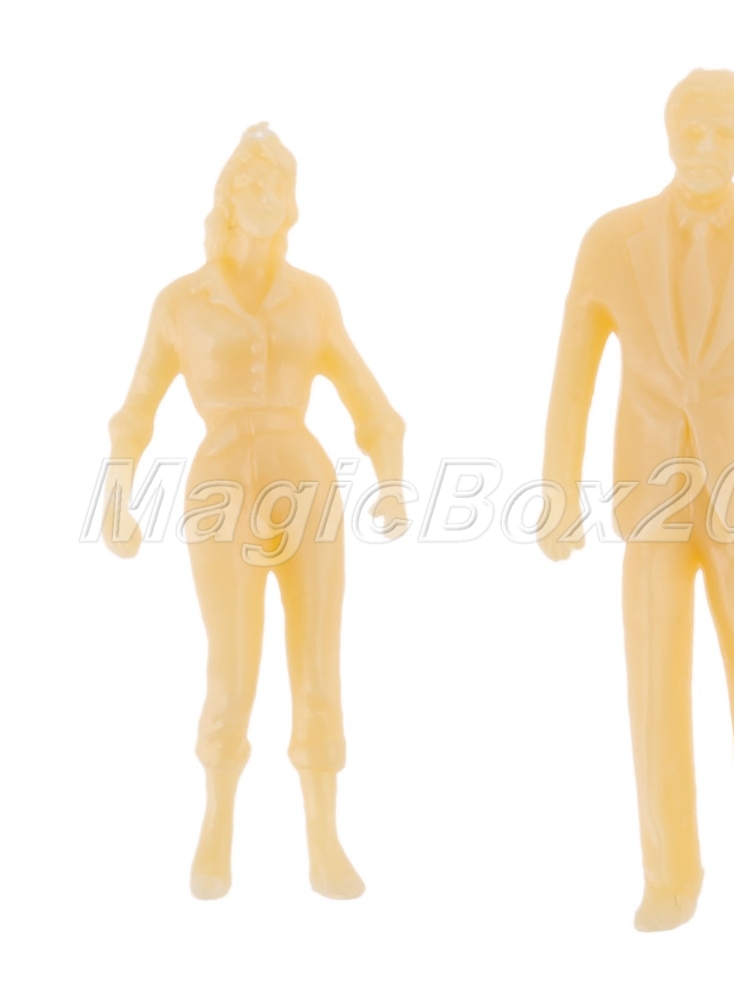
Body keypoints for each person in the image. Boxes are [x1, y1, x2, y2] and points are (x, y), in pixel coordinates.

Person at [540, 70, 734, 929]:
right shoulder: (612, 240)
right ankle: (668, 875)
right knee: (652, 686)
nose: (706, 147)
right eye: (692, 130)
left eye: (723, 133)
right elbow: (573, 377)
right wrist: (558, 490)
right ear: (668, 133)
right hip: (649, 497)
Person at [105, 123, 405, 900]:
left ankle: (323, 839)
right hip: (218, 488)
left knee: (318, 663)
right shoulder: (181, 302)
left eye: (276, 184)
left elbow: (371, 402)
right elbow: (136, 409)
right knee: (232, 665)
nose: (263, 194)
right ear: (227, 198)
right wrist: (117, 495)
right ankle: (216, 825)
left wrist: (392, 480)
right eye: (248, 182)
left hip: (304, 481)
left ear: (292, 202)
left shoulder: (314, 298)